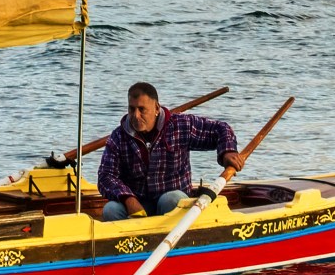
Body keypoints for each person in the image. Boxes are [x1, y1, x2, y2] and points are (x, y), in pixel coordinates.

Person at [97, 82, 239, 222]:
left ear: (156, 108)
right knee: (111, 209)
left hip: (173, 203)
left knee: (170, 199)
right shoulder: (118, 137)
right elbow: (106, 176)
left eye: (142, 109)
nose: (136, 115)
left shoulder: (180, 125)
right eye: (131, 109)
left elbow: (221, 129)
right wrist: (128, 198)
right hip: (138, 205)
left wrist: (227, 151)